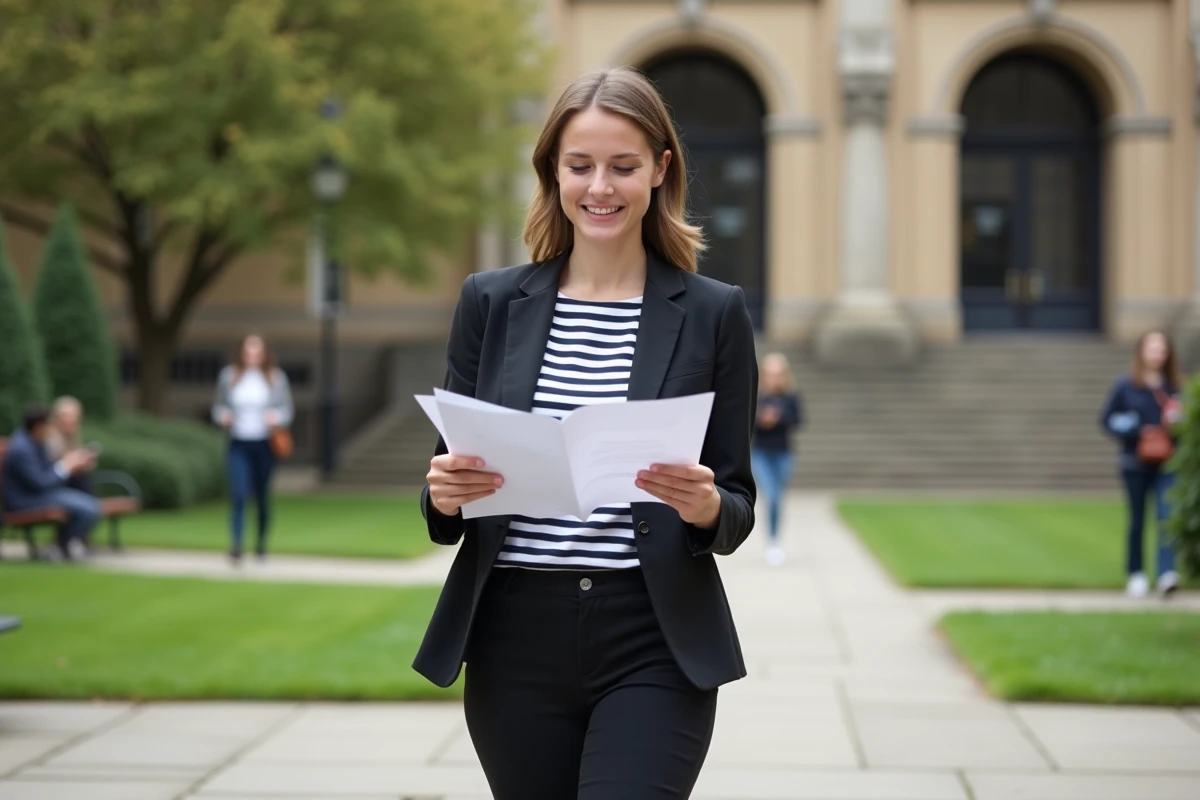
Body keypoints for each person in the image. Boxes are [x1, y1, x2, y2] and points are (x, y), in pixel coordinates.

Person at [414, 67, 758, 799]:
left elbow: (735, 506)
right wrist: (443, 493)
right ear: (553, 172)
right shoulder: (490, 302)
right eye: (580, 166)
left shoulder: (712, 313)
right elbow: (447, 494)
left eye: (623, 166)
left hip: (653, 636)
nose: (600, 187)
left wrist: (705, 509)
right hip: (513, 636)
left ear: (661, 170)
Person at [1099, 330, 1183, 598]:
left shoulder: (1175, 387)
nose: (1157, 353)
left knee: (1167, 516)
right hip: (1134, 461)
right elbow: (1106, 420)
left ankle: (1166, 573)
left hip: (1167, 462)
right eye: (1152, 348)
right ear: (1141, 352)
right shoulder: (1125, 385)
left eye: (1162, 348)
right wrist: (1133, 428)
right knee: (1137, 519)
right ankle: (1136, 573)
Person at [211, 334, 293, 564]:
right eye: (248, 352)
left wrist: (275, 417)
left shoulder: (276, 378)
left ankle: (261, 543)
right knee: (238, 494)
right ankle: (237, 545)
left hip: (264, 444)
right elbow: (218, 407)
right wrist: (223, 417)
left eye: (257, 352)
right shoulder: (229, 377)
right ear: (241, 353)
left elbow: (287, 410)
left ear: (265, 354)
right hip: (238, 442)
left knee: (262, 496)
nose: (252, 356)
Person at [1, 404, 99, 560]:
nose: (51, 430)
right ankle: (62, 546)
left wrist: (72, 464)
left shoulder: (34, 442)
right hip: (25, 500)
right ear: (39, 426)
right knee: (88, 509)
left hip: (40, 494)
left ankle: (63, 545)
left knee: (89, 505)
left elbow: (46, 474)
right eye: (49, 425)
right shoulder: (22, 448)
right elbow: (40, 483)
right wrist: (66, 466)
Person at [751, 352, 803, 566]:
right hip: (760, 453)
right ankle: (772, 542)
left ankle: (775, 538)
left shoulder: (791, 397)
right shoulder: (756, 396)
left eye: (778, 373)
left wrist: (779, 417)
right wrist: (762, 420)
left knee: (778, 498)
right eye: (770, 373)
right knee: (771, 496)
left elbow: (798, 420)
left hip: (783, 454)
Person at [46, 396, 94, 496]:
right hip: (53, 487)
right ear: (56, 418)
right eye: (65, 416)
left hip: (67, 485)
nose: (70, 420)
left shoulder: (73, 436)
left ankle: (91, 506)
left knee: (83, 478)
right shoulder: (49, 437)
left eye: (73, 417)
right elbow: (51, 469)